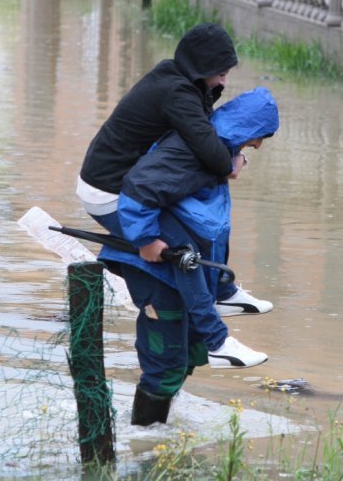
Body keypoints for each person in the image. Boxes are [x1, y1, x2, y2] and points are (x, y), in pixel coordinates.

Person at [98, 87, 280, 425]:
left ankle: (161, 433)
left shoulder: (216, 152)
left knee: (191, 350)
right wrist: (146, 239)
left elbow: (210, 226)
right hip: (153, 265)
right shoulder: (191, 152)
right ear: (244, 130)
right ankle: (145, 442)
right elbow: (138, 192)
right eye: (258, 137)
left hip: (182, 265)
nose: (257, 146)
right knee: (165, 358)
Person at [76, 22, 271, 316]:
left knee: (205, 223)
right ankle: (213, 332)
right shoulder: (177, 93)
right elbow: (217, 160)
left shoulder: (183, 80)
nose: (223, 83)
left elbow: (208, 145)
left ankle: (222, 292)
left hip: (133, 184)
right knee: (184, 246)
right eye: (221, 74)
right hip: (109, 191)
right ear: (202, 67)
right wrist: (236, 160)